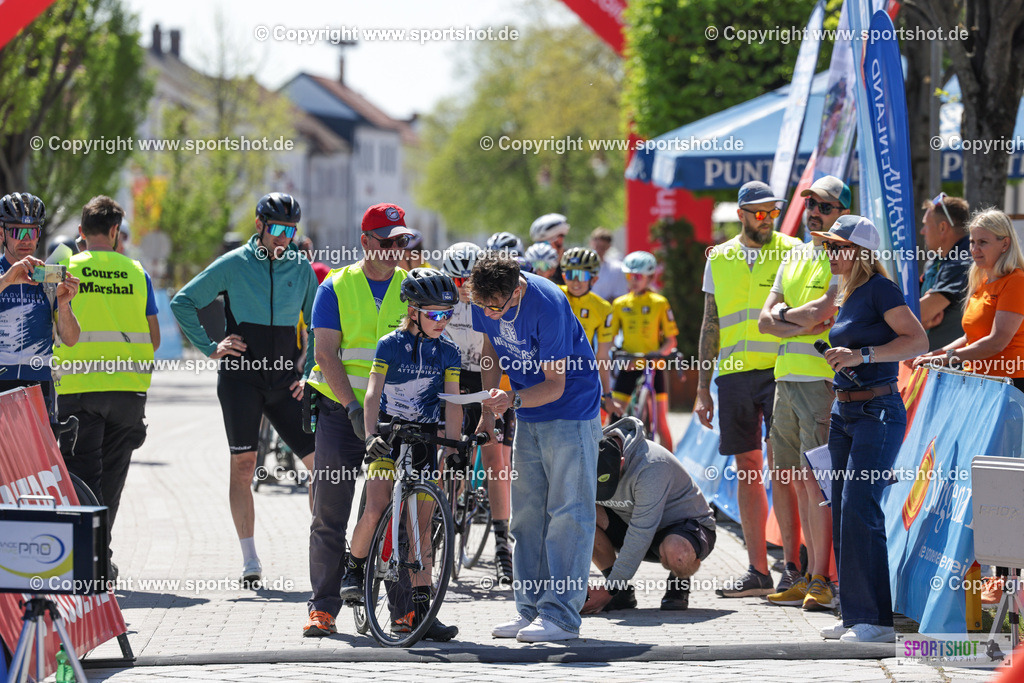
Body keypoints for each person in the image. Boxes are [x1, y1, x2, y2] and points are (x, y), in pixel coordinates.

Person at [171, 192, 318, 587]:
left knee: (322, 468)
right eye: (277, 229)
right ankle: (250, 558)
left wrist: (312, 371)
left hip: (286, 380)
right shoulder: (234, 264)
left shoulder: (302, 269)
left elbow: (320, 322)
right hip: (241, 379)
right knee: (243, 465)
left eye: (291, 230)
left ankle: (322, 552)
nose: (284, 237)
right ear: (259, 226)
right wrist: (210, 346)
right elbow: (183, 301)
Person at [471, 254, 602, 643]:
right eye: (482, 306)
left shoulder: (547, 304)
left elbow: (556, 385)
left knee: (568, 514)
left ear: (519, 289)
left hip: (571, 410)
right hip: (529, 412)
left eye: (497, 307)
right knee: (527, 516)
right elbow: (490, 352)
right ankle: (529, 610)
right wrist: (487, 412)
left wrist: (510, 402)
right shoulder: (485, 298)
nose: (490, 315)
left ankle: (561, 616)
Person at [811, 215, 928, 643]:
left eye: (835, 246)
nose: (829, 253)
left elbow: (918, 342)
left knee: (860, 507)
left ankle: (876, 621)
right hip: (845, 414)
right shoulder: (848, 292)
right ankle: (854, 615)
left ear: (859, 251)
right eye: (826, 246)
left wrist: (860, 354)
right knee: (843, 510)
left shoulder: (880, 288)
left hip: (877, 411)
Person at [301, 203, 411, 638]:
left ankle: (404, 608)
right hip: (340, 409)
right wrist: (350, 408)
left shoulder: (411, 287)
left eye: (402, 241)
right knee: (330, 511)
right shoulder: (336, 287)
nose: (396, 249)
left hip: (394, 413)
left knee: (397, 509)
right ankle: (323, 608)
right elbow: (325, 354)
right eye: (387, 242)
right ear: (365, 242)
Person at [338, 268, 461, 641]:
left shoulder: (449, 351)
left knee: (422, 529)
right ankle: (354, 570)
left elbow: (453, 402)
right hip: (389, 435)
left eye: (448, 314)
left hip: (424, 437)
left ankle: (423, 610)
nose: (443, 321)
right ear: (413, 311)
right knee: (376, 509)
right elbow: (373, 393)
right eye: (435, 314)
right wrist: (371, 435)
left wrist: (454, 447)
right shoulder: (390, 344)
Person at [911, 208, 1024, 606]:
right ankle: (997, 575)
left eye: (982, 242)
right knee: (986, 489)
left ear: (1004, 244)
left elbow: (997, 340)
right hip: (985, 393)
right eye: (972, 241)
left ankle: (1009, 579)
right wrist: (939, 352)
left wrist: (947, 360)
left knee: (1006, 489)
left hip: (1013, 392)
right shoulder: (982, 280)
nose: (973, 249)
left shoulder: (1015, 281)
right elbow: (968, 336)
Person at [696, 180, 802, 597]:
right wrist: (702, 388)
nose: (766, 218)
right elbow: (710, 323)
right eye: (758, 211)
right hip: (734, 376)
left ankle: (793, 568)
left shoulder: (794, 250)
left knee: (785, 469)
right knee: (748, 470)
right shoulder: (718, 257)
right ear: (740, 213)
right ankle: (758, 571)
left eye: (772, 211)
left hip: (782, 370)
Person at [758, 176, 849, 610]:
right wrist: (799, 318)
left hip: (819, 382)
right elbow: (764, 320)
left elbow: (826, 312)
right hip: (785, 379)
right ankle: (800, 573)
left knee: (817, 485)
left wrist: (784, 316)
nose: (815, 211)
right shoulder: (794, 255)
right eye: (811, 203)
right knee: (791, 480)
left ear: (842, 212)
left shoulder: (840, 257)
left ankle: (822, 578)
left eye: (826, 206)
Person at [54, 195, 160, 552]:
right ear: (116, 231)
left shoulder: (66, 265)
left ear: (81, 231)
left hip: (79, 389)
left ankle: (91, 555)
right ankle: (101, 553)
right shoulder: (137, 272)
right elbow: (154, 338)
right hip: (128, 393)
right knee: (112, 480)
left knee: (84, 477)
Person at [583, 417, 716, 614]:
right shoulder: (584, 456)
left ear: (621, 463)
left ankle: (679, 582)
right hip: (633, 523)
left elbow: (641, 533)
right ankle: (622, 595)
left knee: (676, 551)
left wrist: (608, 589)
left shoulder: (651, 465)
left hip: (686, 529)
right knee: (580, 518)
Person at [440, 242, 514, 584]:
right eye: (457, 283)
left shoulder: (490, 302)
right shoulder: (442, 302)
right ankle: (440, 515)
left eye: (469, 282)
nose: (464, 291)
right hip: (454, 378)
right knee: (447, 449)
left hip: (491, 376)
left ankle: (502, 546)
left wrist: (492, 401)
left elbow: (494, 354)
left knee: (494, 458)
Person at [0, 192, 81, 420]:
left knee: (37, 456)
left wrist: (64, 306)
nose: (26, 239)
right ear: (1, 234)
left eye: (32, 231)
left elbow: (72, 339)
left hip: (39, 385)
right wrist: (7, 279)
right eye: (17, 232)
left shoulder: (48, 277)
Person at [608, 251, 678, 447]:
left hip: (653, 366)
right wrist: (616, 352)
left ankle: (670, 467)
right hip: (629, 364)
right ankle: (606, 462)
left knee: (662, 422)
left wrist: (661, 353)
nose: (633, 280)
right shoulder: (620, 304)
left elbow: (671, 341)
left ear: (650, 277)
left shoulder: (659, 303)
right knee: (613, 415)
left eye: (638, 276)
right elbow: (611, 339)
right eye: (629, 276)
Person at [559, 247, 618, 415]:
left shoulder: (603, 308)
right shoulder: (554, 293)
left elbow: (603, 355)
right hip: (548, 370)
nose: (576, 281)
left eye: (582, 275)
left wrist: (607, 394)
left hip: (580, 373)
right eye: (571, 275)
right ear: (564, 276)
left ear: (594, 279)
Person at [918, 193, 972, 351]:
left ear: (942, 227)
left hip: (955, 369)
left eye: (926, 225)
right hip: (936, 364)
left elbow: (920, 314)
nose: (922, 231)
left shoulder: (962, 261)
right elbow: (917, 312)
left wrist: (921, 318)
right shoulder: (936, 261)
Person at [589, 227, 628, 303]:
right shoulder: (580, 267)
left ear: (608, 247)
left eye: (602, 248)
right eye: (597, 247)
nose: (598, 251)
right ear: (591, 243)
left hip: (606, 312)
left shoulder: (617, 269)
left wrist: (599, 306)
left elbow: (620, 295)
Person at [529, 213, 570, 285]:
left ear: (559, 240)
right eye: (537, 243)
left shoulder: (570, 269)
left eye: (545, 243)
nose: (541, 248)